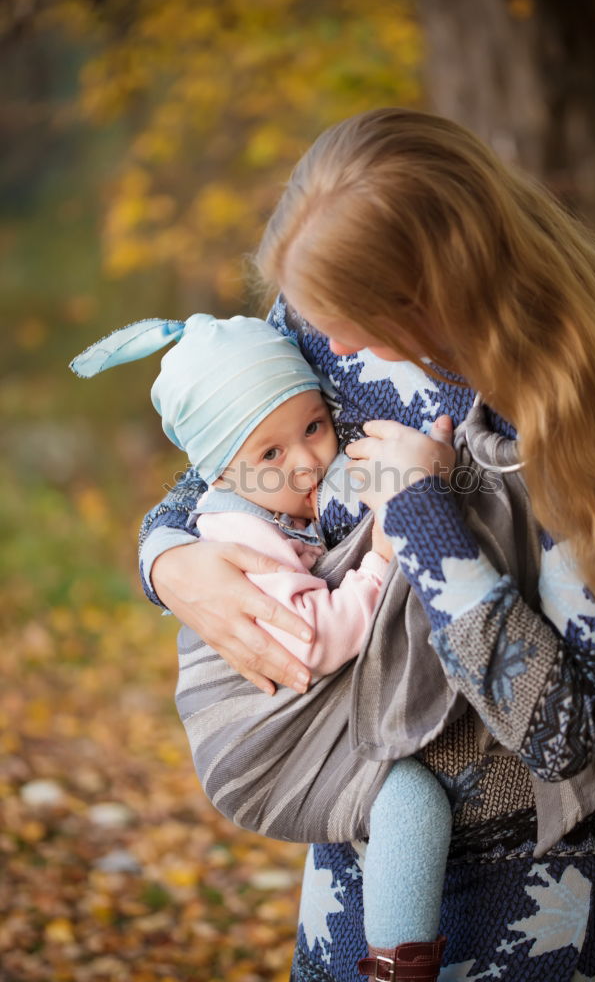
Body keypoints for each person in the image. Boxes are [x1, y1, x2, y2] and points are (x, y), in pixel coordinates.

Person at [138, 109, 595, 981]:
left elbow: (564, 733)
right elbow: (232, 462)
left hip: (549, 879)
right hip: (369, 828)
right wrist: (168, 559)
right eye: (314, 313)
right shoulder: (328, 320)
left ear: (439, 289)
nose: (330, 345)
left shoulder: (586, 419)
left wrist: (420, 514)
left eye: (357, 316)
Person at [70, 312, 452, 980]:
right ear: (221, 472)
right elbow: (318, 637)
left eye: (313, 427)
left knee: (402, 811)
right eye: (270, 455)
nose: (306, 462)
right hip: (253, 744)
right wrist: (386, 557)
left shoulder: (286, 497)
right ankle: (400, 968)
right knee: (409, 801)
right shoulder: (239, 533)